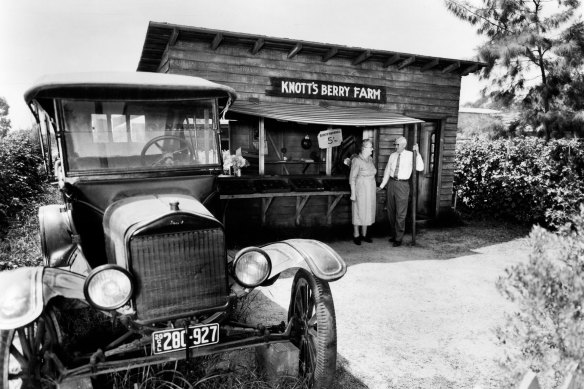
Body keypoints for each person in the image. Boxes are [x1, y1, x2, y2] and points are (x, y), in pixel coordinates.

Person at [378, 136, 424, 247]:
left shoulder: (411, 155)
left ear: (404, 145)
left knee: (401, 213)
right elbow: (387, 170)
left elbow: (420, 168)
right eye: (395, 144)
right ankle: (394, 235)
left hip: (403, 185)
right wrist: (382, 185)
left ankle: (398, 238)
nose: (395, 146)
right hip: (392, 184)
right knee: (390, 211)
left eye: (397, 144)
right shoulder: (392, 155)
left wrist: (417, 153)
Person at [349, 139, 377, 245]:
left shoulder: (370, 159)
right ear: (364, 148)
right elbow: (352, 178)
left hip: (370, 190)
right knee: (358, 211)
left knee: (367, 211)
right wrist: (352, 193)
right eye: (370, 147)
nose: (372, 149)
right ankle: (356, 235)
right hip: (360, 189)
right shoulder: (356, 160)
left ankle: (364, 235)